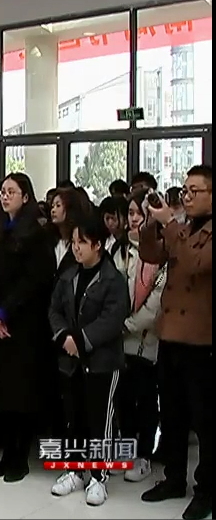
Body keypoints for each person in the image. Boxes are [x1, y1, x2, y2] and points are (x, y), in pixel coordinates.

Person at [139, 165, 212, 520]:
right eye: (185, 190)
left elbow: (196, 263)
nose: (187, 196)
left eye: (195, 191)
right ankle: (173, 478)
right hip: (169, 334)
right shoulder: (181, 226)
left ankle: (206, 490)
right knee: (172, 413)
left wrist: (170, 223)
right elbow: (151, 254)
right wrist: (150, 222)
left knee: (204, 419)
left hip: (201, 339)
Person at [48, 215, 129, 507]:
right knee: (74, 417)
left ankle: (98, 476)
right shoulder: (69, 275)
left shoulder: (113, 279)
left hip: (102, 361)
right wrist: (63, 336)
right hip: (70, 361)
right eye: (73, 242)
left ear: (98, 244)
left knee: (99, 420)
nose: (76, 247)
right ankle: (75, 470)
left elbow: (112, 319)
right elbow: (54, 310)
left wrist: (81, 341)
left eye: (82, 242)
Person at [0, 173, 56, 483]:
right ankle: (6, 453)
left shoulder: (36, 234)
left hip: (24, 324)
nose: (4, 196)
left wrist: (6, 311)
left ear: (26, 197)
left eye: (11, 192)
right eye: (2, 191)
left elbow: (35, 280)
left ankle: (20, 456)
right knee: (1, 392)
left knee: (21, 393)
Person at [113, 189, 165, 484]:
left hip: (146, 340)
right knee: (122, 399)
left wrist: (128, 324)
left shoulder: (161, 253)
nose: (134, 219)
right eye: (131, 213)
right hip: (118, 340)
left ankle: (144, 454)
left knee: (145, 400)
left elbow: (156, 301)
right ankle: (127, 448)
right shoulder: (119, 250)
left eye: (140, 214)